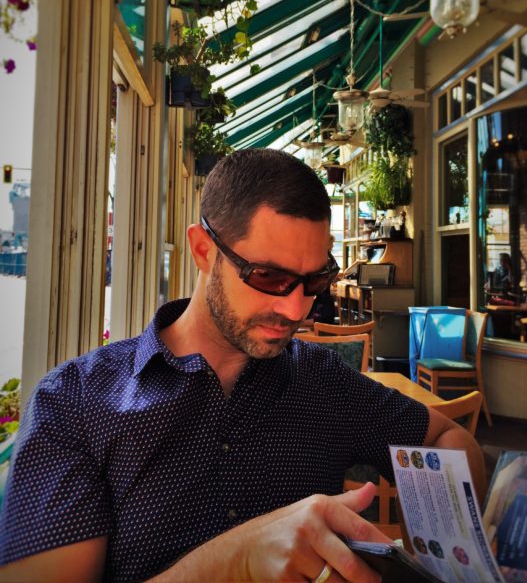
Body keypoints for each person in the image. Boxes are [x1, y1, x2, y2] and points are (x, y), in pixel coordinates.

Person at [0, 149, 486, 582]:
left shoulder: (322, 381)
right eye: (269, 277)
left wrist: (445, 553)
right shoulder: (77, 402)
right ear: (203, 250)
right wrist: (237, 559)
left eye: (315, 281)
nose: (296, 309)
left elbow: (447, 439)